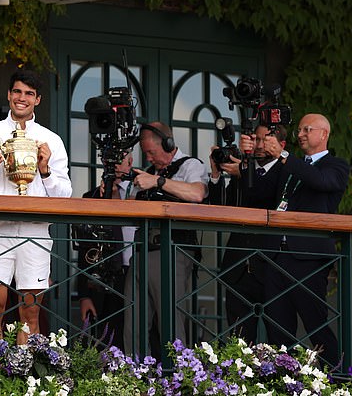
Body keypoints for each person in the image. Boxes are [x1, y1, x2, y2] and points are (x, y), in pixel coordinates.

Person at [0, 70, 72, 343]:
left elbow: (64, 195)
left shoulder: (51, 140)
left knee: (30, 312)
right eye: (18, 92)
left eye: (29, 94)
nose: (22, 98)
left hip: (35, 233)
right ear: (9, 95)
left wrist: (44, 170)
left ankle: (25, 380)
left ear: (38, 100)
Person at [241, 113, 348, 367]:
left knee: (316, 325)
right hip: (277, 255)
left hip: (308, 258)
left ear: (323, 134)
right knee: (277, 328)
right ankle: (283, 383)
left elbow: (320, 181)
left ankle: (339, 380)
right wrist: (247, 160)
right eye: (299, 130)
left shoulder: (336, 165)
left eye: (306, 129)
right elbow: (257, 194)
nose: (300, 134)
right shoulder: (288, 165)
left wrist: (284, 157)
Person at [124, 121, 209, 358]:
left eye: (152, 151)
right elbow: (128, 210)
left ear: (169, 144)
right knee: (134, 321)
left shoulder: (190, 165)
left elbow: (197, 194)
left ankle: (178, 377)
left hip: (172, 250)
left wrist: (159, 182)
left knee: (171, 321)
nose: (149, 158)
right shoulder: (148, 173)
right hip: (141, 249)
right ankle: (135, 375)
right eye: (146, 153)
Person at [208, 123, 287, 343]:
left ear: (281, 145)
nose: (259, 145)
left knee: (278, 338)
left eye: (264, 140)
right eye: (256, 140)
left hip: (272, 266)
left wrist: (244, 171)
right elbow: (220, 209)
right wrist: (216, 174)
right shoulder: (243, 168)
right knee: (239, 339)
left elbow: (267, 196)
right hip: (238, 266)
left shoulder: (284, 169)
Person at [76, 152, 136, 350]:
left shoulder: (141, 194)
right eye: (112, 161)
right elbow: (85, 251)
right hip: (104, 279)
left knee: (138, 333)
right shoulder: (91, 197)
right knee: (105, 340)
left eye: (121, 160)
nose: (117, 165)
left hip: (136, 272)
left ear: (131, 162)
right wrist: (84, 295)